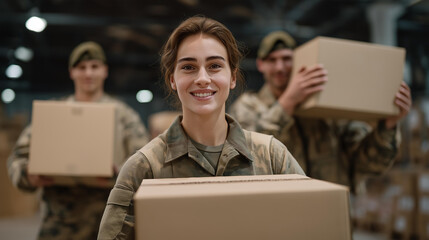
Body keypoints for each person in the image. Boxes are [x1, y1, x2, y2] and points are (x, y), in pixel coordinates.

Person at [97, 16, 304, 240]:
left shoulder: (273, 156)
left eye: (215, 66)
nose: (203, 78)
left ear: (232, 77)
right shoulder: (144, 168)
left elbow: (313, 224)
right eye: (188, 67)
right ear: (172, 80)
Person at [228, 30, 412, 191]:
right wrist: (287, 103)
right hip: (280, 211)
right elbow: (248, 157)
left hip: (331, 208)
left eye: (286, 59)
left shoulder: (326, 108)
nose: (280, 67)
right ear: (261, 64)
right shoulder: (248, 106)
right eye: (272, 60)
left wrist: (387, 127)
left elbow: (369, 165)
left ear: (297, 61)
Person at [7, 41, 150, 240]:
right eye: (81, 67)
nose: (88, 74)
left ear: (104, 71)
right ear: (72, 72)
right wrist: (28, 175)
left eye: (94, 66)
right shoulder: (53, 114)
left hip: (109, 225)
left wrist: (119, 176)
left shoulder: (125, 116)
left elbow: (144, 166)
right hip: (60, 224)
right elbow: (17, 159)